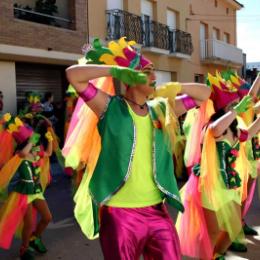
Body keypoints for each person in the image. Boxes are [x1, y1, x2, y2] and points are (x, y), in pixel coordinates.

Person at [65, 37, 211, 259]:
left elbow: (204, 94)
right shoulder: (109, 107)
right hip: (119, 213)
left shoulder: (162, 109)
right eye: (148, 72)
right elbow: (74, 75)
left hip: (157, 211)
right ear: (131, 78)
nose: (154, 77)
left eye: (155, 72)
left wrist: (175, 87)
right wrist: (115, 71)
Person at [176, 71, 260, 260]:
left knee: (235, 227)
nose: (235, 106)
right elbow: (216, 130)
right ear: (222, 108)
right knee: (212, 233)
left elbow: (250, 133)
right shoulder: (211, 126)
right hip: (210, 186)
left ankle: (217, 254)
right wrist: (237, 110)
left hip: (229, 186)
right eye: (231, 104)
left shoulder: (234, 128)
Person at [0, 114, 53, 260]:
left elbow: (48, 153)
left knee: (47, 217)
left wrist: (50, 139)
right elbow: (24, 152)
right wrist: (32, 139)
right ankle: (24, 249)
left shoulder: (35, 153)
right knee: (29, 224)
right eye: (31, 139)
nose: (35, 142)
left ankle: (34, 239)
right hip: (24, 192)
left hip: (35, 191)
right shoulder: (18, 155)